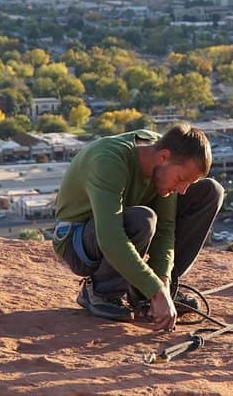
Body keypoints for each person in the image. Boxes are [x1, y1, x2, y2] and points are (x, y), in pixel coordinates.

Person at [52, 123, 223, 332]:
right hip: (78, 242)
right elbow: (110, 238)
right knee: (143, 219)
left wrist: (162, 283)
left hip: (120, 228)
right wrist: (156, 291)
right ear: (164, 157)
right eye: (181, 179)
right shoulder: (109, 160)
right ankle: (101, 292)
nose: (183, 189)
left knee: (210, 191)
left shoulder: (163, 158)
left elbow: (165, 229)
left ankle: (144, 295)